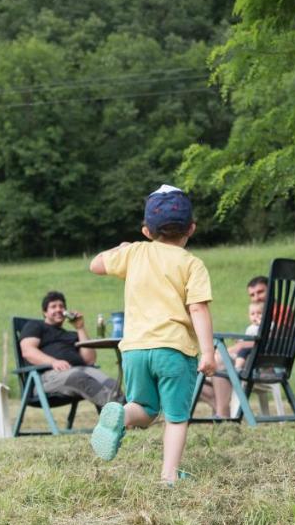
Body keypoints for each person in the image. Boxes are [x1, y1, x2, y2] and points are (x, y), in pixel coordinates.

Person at [87, 184, 217, 483]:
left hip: (134, 350)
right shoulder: (192, 264)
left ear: (146, 231)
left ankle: (122, 414)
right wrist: (208, 353)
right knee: (175, 416)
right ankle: (169, 475)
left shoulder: (134, 252)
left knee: (144, 409)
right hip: (174, 350)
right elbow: (198, 309)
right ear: (191, 229)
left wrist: (119, 249)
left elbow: (95, 264)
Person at [19, 290, 119, 411]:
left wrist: (80, 328)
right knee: (79, 378)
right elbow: (28, 351)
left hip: (78, 371)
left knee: (110, 383)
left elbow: (89, 360)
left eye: (61, 306)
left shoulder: (71, 334)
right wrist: (53, 362)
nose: (58, 309)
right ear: (45, 312)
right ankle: (121, 413)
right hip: (47, 377)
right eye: (53, 306)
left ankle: (131, 416)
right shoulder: (35, 326)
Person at [233, 300, 265, 371]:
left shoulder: (268, 325)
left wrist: (262, 324)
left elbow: (270, 331)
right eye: (252, 314)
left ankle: (238, 367)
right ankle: (238, 367)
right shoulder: (250, 328)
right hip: (251, 348)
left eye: (259, 313)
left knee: (243, 350)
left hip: (261, 349)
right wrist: (239, 341)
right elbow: (247, 338)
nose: (256, 316)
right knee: (242, 351)